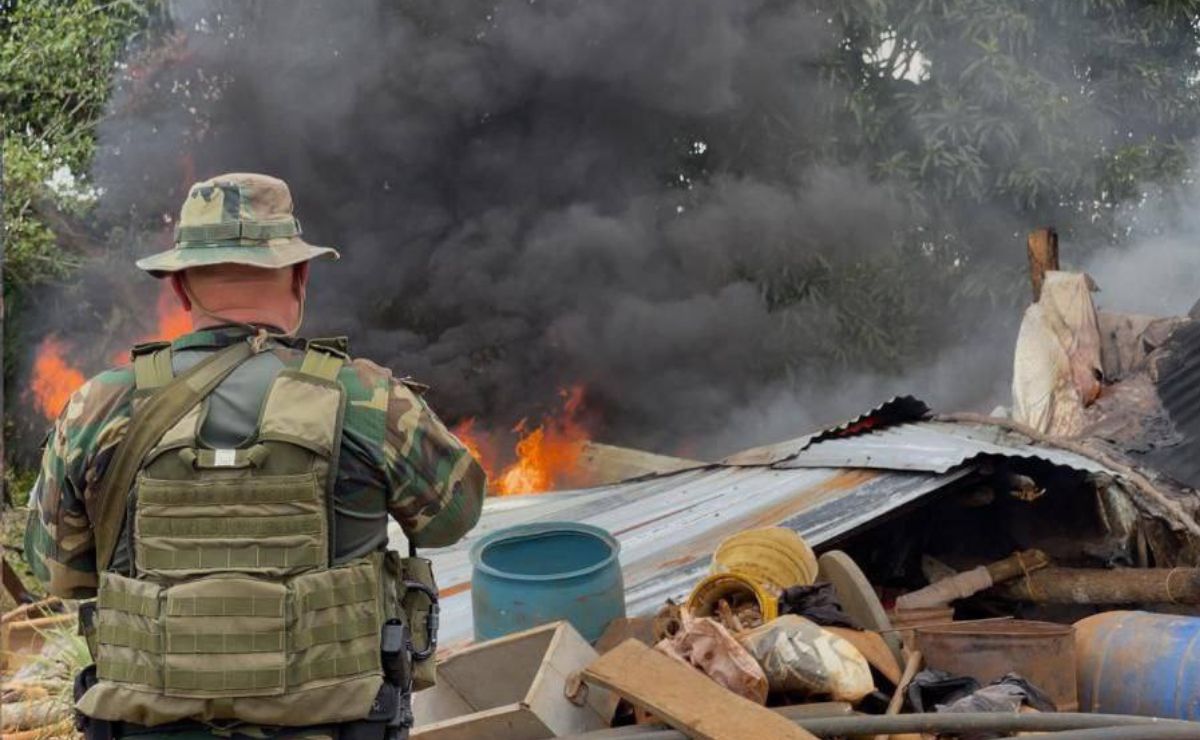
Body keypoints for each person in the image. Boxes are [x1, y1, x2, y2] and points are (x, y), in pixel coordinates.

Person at [23, 172, 487, 739]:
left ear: (180, 289)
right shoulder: (367, 397)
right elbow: (453, 517)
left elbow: (61, 575)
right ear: (300, 275)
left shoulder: (100, 405)